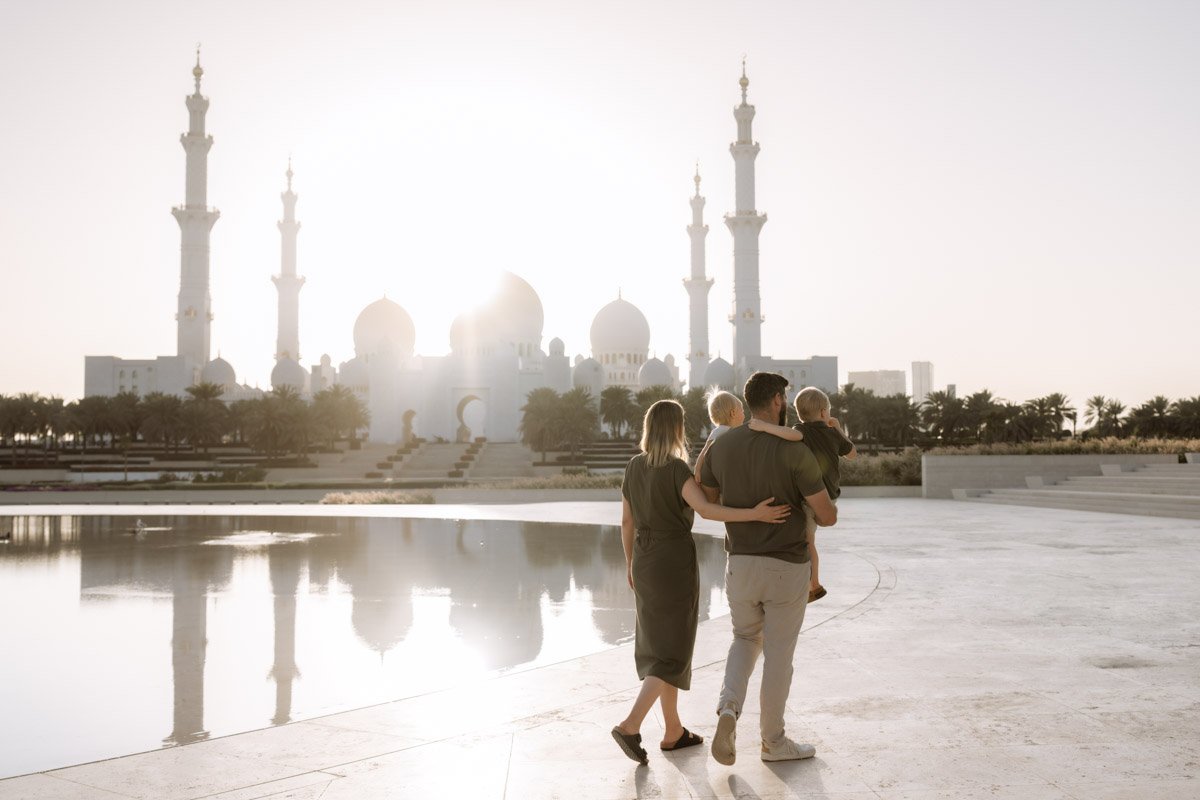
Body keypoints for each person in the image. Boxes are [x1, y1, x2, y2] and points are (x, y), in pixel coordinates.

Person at [611, 399, 791, 766]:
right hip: (672, 561)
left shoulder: (633, 467)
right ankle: (630, 725)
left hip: (644, 560)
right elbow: (707, 509)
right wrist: (753, 514)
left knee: (659, 643)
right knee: (672, 649)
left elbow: (626, 522)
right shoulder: (676, 470)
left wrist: (630, 563)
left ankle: (673, 731)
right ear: (676, 429)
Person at [699, 372, 837, 765]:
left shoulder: (723, 445)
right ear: (777, 400)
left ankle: (728, 709)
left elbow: (709, 496)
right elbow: (826, 516)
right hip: (786, 565)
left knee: (744, 639)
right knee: (778, 654)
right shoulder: (794, 451)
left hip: (739, 564)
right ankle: (773, 742)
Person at [747, 386, 856, 603]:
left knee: (808, 542)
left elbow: (790, 434)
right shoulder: (832, 433)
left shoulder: (801, 430)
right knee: (811, 538)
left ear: (799, 413)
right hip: (831, 495)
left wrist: (764, 427)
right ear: (825, 412)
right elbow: (852, 454)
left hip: (810, 498)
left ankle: (813, 585)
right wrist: (838, 428)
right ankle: (812, 583)